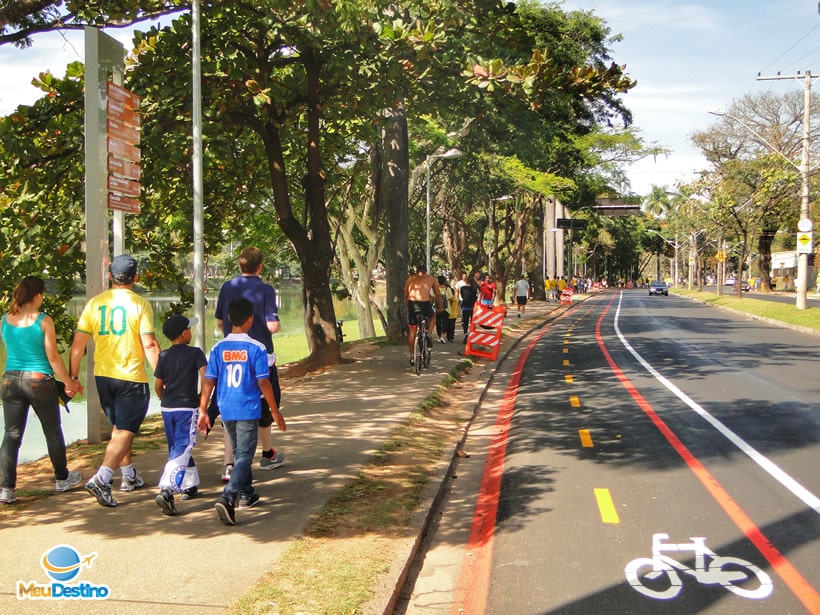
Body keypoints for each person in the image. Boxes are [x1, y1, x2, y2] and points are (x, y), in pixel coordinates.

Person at [69, 254, 161, 508]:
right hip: (130, 375)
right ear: (136, 278)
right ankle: (102, 477)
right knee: (125, 430)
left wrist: (73, 377)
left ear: (110, 276)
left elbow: (78, 344)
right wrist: (162, 375)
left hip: (103, 376)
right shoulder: (140, 304)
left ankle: (129, 475)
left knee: (119, 427)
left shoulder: (95, 303)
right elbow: (150, 344)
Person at [197, 298, 286, 526]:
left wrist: (203, 409)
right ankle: (228, 497)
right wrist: (275, 411)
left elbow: (209, 381)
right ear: (251, 320)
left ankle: (247, 494)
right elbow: (263, 382)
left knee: (239, 454)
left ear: (228, 318)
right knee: (245, 456)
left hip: (226, 407)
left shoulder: (217, 348)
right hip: (248, 408)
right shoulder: (257, 348)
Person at [0, 277, 84, 504]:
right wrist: (69, 383)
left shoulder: (5, 319)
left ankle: (7, 489)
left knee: (11, 435)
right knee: (52, 431)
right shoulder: (44, 320)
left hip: (10, 380)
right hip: (38, 381)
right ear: (37, 296)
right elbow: (53, 358)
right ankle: (62, 478)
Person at [214, 247, 284, 481]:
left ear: (240, 265)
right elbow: (273, 326)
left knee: (230, 405)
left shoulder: (227, 287)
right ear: (260, 267)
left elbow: (219, 321)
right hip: (260, 354)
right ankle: (267, 453)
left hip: (230, 354)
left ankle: (228, 463)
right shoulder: (265, 289)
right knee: (264, 402)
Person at [153, 314, 207, 516]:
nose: (191, 332)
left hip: (168, 408)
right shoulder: (195, 353)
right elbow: (206, 377)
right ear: (184, 333)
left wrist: (164, 398)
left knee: (176, 447)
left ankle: (190, 484)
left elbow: (158, 385)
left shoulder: (164, 356)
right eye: (189, 329)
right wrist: (203, 401)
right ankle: (167, 489)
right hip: (187, 407)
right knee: (183, 447)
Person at [404, 265, 443, 365]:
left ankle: (412, 357)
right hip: (425, 304)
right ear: (426, 271)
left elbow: (406, 296)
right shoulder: (431, 279)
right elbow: (438, 295)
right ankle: (429, 334)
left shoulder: (409, 279)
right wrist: (440, 307)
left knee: (412, 332)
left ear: (417, 272)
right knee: (433, 315)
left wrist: (408, 307)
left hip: (412, 304)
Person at [458, 272, 479, 343]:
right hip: (472, 307)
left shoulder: (462, 288)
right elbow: (476, 297)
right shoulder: (474, 289)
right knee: (472, 321)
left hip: (465, 306)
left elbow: (462, 296)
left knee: (465, 321)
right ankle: (472, 334)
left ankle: (465, 333)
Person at [436, 276, 454, 343]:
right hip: (446, 308)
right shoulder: (447, 289)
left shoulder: (436, 288)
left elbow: (432, 297)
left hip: (437, 308)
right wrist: (450, 305)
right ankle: (443, 336)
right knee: (445, 322)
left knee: (438, 322)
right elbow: (451, 298)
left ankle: (439, 336)